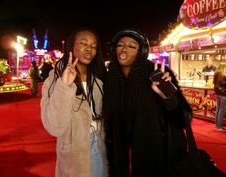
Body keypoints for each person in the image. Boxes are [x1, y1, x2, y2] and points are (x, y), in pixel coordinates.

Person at [103, 28, 192, 177]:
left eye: (132, 46)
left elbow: (183, 117)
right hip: (119, 157)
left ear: (141, 51)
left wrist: (167, 96)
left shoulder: (157, 73)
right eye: (120, 44)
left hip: (155, 155)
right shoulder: (110, 77)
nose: (124, 49)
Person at [40, 27, 108, 177]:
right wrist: (64, 86)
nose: (89, 49)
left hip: (100, 149)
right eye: (84, 43)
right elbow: (54, 127)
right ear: (71, 46)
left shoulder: (99, 82)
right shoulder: (54, 80)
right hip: (74, 155)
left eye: (94, 46)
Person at [213, 63, 226, 131]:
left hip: (217, 93)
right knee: (221, 110)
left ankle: (217, 125)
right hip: (222, 94)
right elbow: (222, 83)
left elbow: (215, 83)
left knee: (218, 109)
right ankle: (219, 126)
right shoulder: (221, 74)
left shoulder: (216, 73)